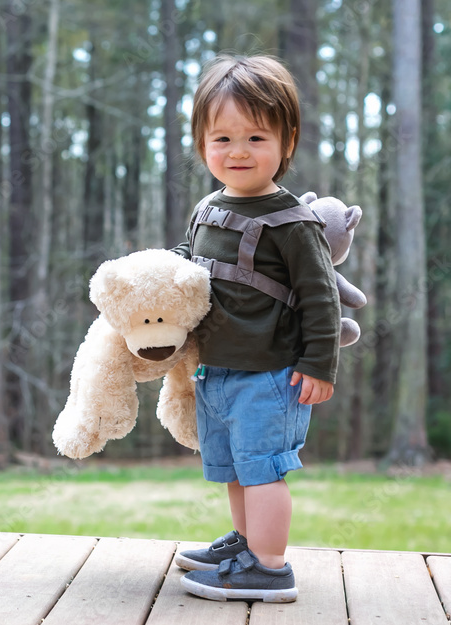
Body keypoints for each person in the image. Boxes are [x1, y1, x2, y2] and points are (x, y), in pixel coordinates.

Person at [168, 53, 341, 603]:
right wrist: (154, 274)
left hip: (272, 375)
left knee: (263, 471)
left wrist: (318, 364)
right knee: (236, 470)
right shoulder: (208, 208)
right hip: (217, 372)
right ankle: (246, 544)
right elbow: (189, 263)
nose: (238, 152)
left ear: (286, 141)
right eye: (222, 139)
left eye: (256, 138)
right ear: (201, 144)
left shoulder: (292, 223)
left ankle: (269, 567)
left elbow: (321, 298)